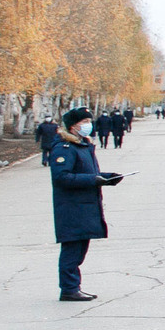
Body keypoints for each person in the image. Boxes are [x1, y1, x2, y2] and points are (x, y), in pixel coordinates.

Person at [48, 106, 122, 300]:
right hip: (72, 207)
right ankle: (69, 289)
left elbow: (87, 174)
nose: (88, 126)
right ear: (73, 127)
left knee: (79, 250)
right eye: (84, 123)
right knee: (72, 250)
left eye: (89, 122)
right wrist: (93, 180)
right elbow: (62, 177)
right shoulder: (64, 147)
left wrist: (107, 177)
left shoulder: (82, 145)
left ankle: (73, 287)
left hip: (85, 206)